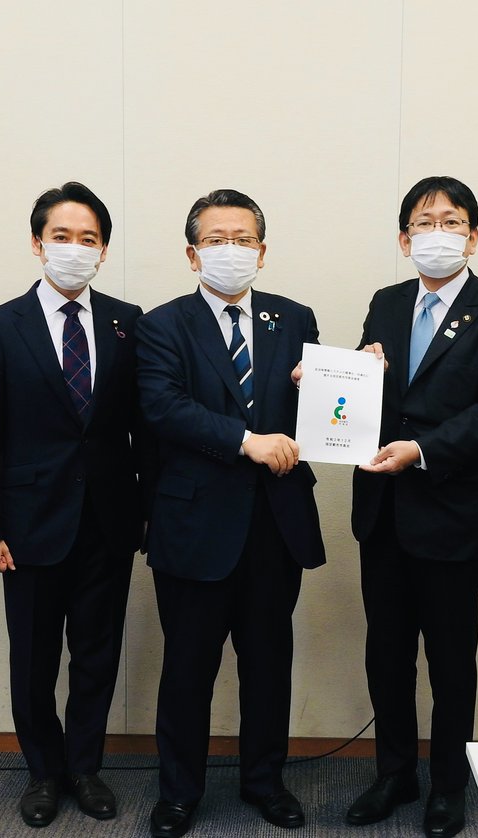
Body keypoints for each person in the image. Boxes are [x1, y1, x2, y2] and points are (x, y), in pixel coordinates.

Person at [347, 176, 478, 838]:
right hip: (382, 512)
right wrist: (332, 383)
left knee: (452, 661)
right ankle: (394, 773)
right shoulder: (387, 302)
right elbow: (367, 391)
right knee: (387, 655)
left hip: (451, 511)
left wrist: (422, 450)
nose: (437, 234)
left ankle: (449, 784)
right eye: (423, 224)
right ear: (405, 240)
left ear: (473, 237)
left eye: (451, 222)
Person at [136, 189, 325, 838]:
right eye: (216, 240)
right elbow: (162, 408)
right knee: (188, 668)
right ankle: (179, 792)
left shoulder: (294, 319)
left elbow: (317, 417)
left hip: (276, 524)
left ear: (262, 252)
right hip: (194, 527)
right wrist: (246, 441)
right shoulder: (162, 325)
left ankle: (265, 781)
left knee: (269, 664)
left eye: (243, 239)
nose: (231, 250)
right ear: (193, 254)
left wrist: (347, 383)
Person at [0, 182, 148, 828]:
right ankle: (43, 771)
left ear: (104, 250)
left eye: (88, 238)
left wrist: (147, 513)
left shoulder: (128, 322)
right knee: (34, 659)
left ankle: (85, 767)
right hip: (28, 526)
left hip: (109, 519)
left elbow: (144, 427)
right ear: (38, 243)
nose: (75, 248)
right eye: (61, 236)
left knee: (97, 654)